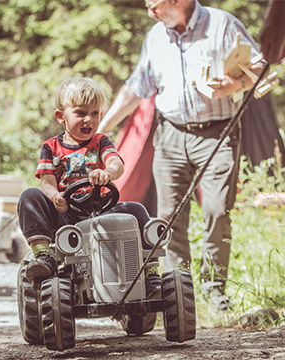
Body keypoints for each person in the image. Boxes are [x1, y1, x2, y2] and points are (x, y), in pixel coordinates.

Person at [98, 0, 265, 311]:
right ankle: (179, 294)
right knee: (169, 217)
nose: (149, 11)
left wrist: (234, 84)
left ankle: (215, 291)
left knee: (217, 210)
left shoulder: (222, 24)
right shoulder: (155, 38)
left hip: (218, 132)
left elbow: (260, 68)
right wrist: (102, 128)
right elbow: (137, 88)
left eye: (154, 4)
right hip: (171, 133)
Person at [20, 77, 151, 281]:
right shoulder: (51, 147)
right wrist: (55, 196)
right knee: (30, 196)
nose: (88, 119)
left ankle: (148, 268)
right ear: (60, 116)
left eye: (95, 113)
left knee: (136, 210)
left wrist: (107, 173)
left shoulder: (101, 142)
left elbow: (117, 164)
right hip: (66, 214)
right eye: (80, 113)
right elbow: (46, 182)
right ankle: (43, 256)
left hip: (100, 209)